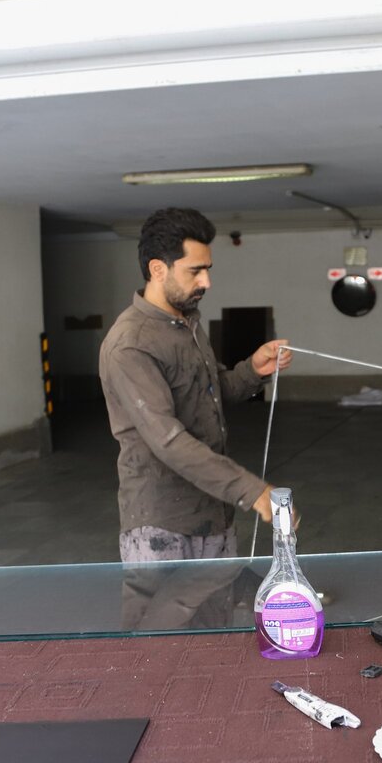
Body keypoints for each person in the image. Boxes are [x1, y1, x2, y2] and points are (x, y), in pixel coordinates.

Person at [99, 207, 293, 563]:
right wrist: (252, 491)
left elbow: (212, 391)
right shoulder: (131, 344)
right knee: (169, 606)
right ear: (158, 269)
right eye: (195, 271)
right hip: (162, 528)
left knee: (220, 601)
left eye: (207, 269)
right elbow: (168, 440)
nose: (206, 282)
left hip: (214, 512)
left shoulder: (186, 322)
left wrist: (253, 369)